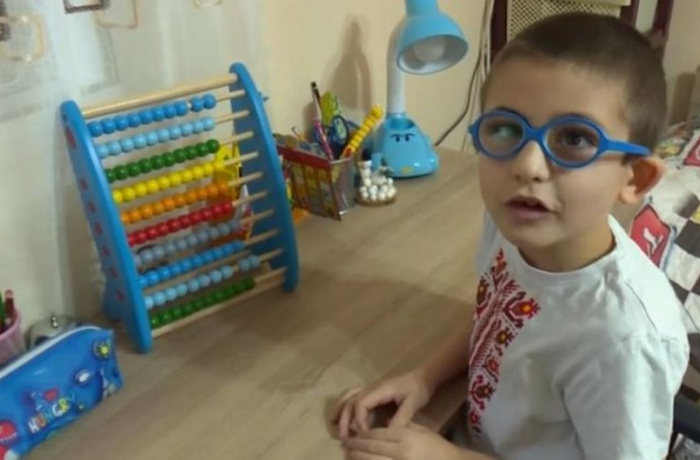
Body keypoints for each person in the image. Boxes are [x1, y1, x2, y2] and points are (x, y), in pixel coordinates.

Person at [333, 12, 689, 460]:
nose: (527, 165)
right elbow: (494, 313)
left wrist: (447, 458)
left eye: (574, 138)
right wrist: (424, 379)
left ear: (635, 177)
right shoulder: (518, 224)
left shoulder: (624, 341)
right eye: (505, 129)